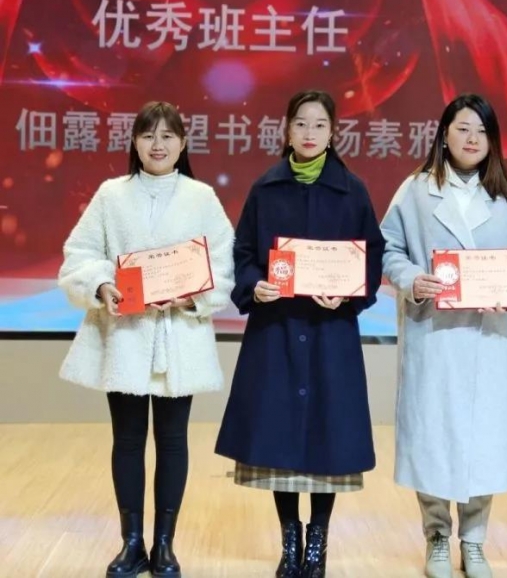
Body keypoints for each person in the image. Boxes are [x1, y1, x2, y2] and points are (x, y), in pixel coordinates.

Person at [58, 101, 234, 578]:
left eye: (167, 136)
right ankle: (131, 543)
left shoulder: (201, 198)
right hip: (126, 336)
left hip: (180, 336)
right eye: (148, 135)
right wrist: (101, 285)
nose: (158, 145)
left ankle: (165, 545)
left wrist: (193, 295)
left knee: (173, 441)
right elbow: (79, 254)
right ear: (134, 142)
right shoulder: (111, 196)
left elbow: (223, 264)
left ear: (183, 143)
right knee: (128, 440)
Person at [215, 89, 385, 578]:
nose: (310, 133)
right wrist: (255, 285)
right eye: (301, 124)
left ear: (333, 133)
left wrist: (349, 294)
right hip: (278, 330)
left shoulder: (352, 191)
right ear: (287, 130)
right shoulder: (265, 188)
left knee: (329, 438)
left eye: (319, 125)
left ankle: (318, 543)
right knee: (280, 438)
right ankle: (290, 540)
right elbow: (243, 253)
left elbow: (371, 257)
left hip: (331, 332)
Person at [380, 93, 507, 578]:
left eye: (482, 131)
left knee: (482, 440)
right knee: (433, 436)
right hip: (434, 334)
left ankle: (474, 540)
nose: (472, 139)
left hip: (490, 336)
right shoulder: (415, 190)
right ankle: (436, 535)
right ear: (444, 134)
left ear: (493, 140)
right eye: (463, 128)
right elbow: (389, 247)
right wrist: (412, 279)